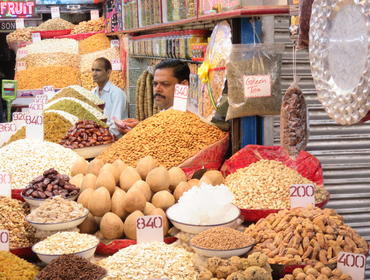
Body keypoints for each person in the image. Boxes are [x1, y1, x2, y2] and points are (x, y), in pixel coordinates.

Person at [115, 59, 190, 134]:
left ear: (183, 85)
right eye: (155, 84)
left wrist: (138, 134)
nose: (157, 89)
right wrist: (141, 127)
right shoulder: (168, 111)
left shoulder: (187, 119)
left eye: (165, 84)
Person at [92, 57, 127, 137]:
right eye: (93, 70)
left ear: (108, 72)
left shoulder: (117, 93)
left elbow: (116, 123)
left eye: (98, 70)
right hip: (98, 137)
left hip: (113, 139)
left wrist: (103, 137)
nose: (94, 73)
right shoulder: (93, 93)